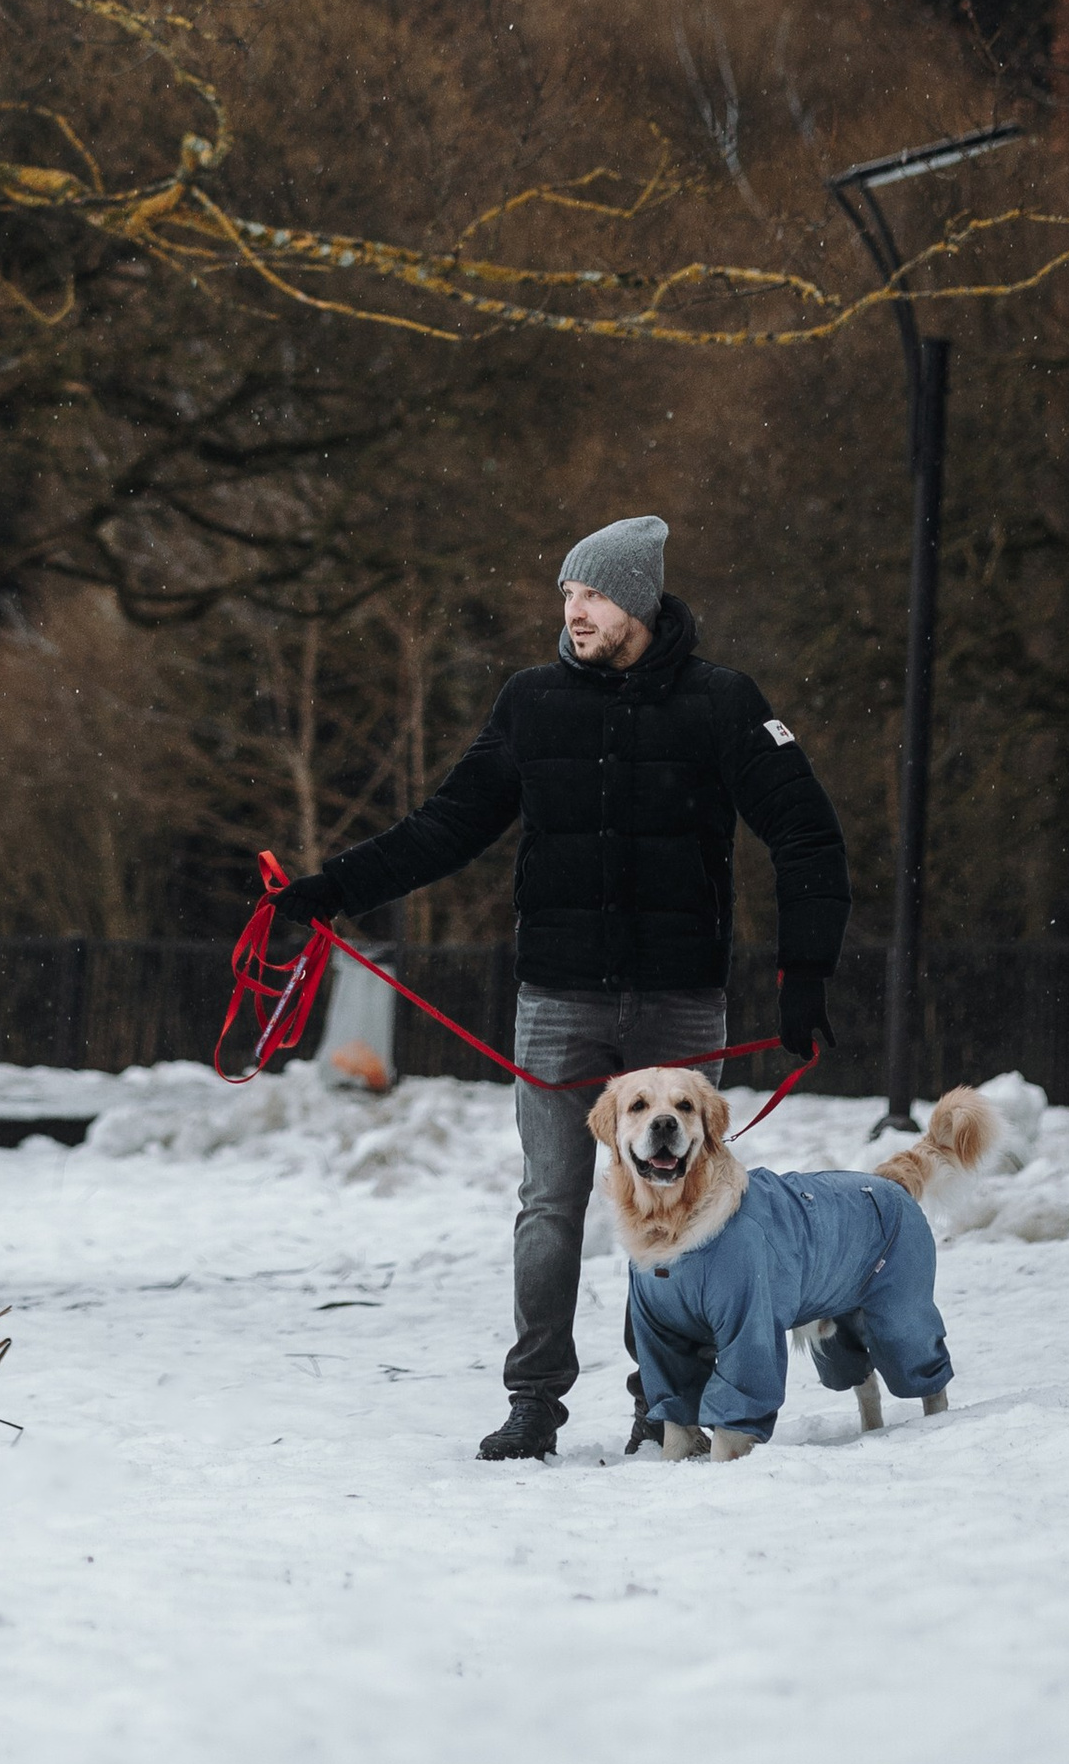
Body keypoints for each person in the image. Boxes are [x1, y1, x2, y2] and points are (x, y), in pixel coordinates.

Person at [267, 515, 849, 1462]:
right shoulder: (532, 703)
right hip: (558, 1001)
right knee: (550, 1205)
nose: (572, 612)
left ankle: (661, 1398)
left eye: (591, 595)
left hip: (677, 1002)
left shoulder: (723, 703)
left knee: (683, 1197)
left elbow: (807, 835)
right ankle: (533, 1398)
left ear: (639, 602)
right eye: (566, 595)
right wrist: (335, 887)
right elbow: (448, 823)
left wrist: (805, 974)